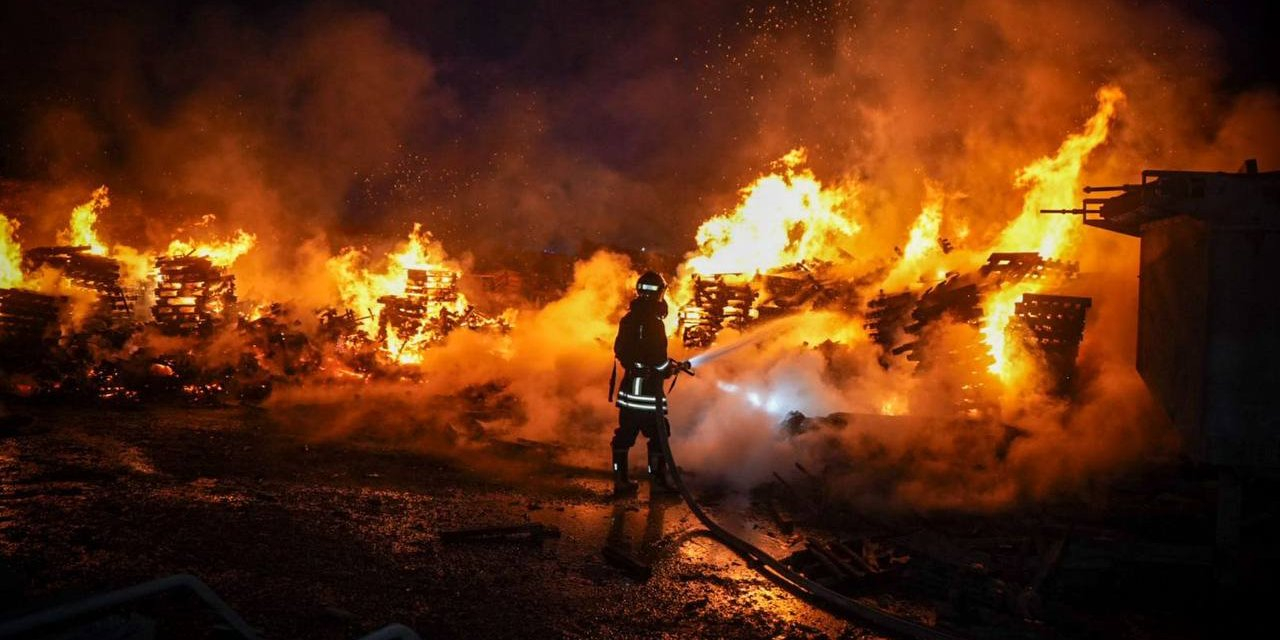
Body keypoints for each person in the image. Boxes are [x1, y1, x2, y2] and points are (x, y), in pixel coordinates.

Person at [609, 271, 689, 497]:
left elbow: (621, 351)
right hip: (646, 394)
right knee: (659, 434)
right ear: (659, 294)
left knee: (624, 435)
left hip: (628, 391)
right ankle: (657, 482)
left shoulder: (629, 319)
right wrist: (668, 369)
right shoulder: (653, 323)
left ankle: (620, 481)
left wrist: (639, 365)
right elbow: (658, 359)